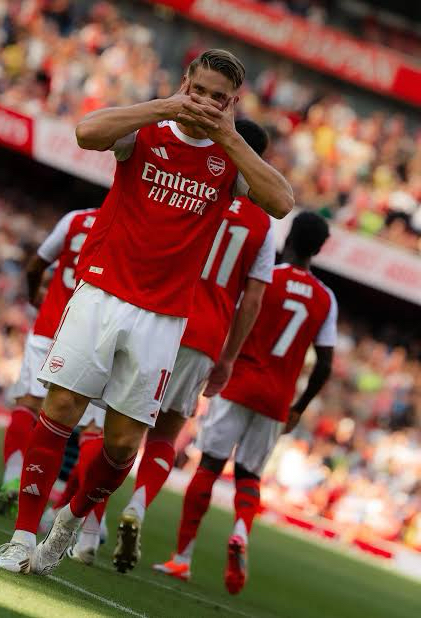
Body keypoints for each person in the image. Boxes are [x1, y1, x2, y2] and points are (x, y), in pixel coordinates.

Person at [0, 48, 293, 575]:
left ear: (232, 104)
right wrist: (166, 106)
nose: (205, 103)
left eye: (218, 98)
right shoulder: (147, 130)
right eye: (199, 91)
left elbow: (282, 201)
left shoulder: (230, 158)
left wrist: (229, 136)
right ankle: (20, 540)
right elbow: (86, 132)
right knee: (60, 407)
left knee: (123, 444)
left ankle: (69, 523)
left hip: (164, 316)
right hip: (101, 292)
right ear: (185, 84)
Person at [64, 119, 276, 571]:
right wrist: (228, 357)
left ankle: (88, 531)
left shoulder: (197, 179)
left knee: (107, 426)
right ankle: (137, 506)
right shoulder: (261, 222)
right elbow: (254, 298)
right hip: (205, 335)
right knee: (165, 434)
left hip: (160, 310)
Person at [154, 212, 337, 595]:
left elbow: (237, 314)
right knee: (249, 475)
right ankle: (240, 529)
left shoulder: (266, 278)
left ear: (289, 238)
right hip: (277, 398)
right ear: (320, 250)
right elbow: (324, 364)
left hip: (239, 384)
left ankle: (182, 558)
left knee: (210, 465)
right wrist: (299, 406)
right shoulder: (326, 299)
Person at [0, 207, 103, 515]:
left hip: (49, 325)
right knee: (92, 431)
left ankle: (13, 479)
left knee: (28, 405)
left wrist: (34, 297)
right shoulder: (129, 226)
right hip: (90, 337)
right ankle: (72, 515)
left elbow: (35, 266)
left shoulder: (75, 219)